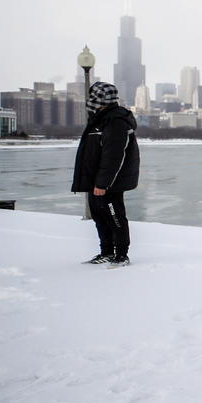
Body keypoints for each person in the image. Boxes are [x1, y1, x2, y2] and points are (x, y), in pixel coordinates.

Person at [72, 82, 140, 267]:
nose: (90, 100)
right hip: (95, 180)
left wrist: (102, 184)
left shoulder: (116, 121)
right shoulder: (100, 118)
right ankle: (107, 252)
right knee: (99, 217)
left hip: (110, 183)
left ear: (102, 99)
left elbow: (113, 156)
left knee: (115, 217)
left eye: (93, 96)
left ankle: (121, 255)